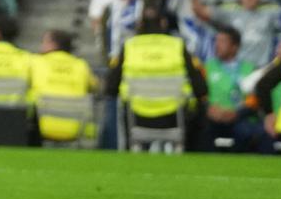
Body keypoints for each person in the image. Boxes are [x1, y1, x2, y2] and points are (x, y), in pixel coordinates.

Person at [104, 8, 209, 149]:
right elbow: (200, 88)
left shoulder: (130, 46)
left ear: (140, 24)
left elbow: (110, 88)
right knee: (199, 112)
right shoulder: (176, 45)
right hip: (173, 118)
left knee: (116, 104)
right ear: (163, 23)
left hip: (137, 117)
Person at [29, 29, 98, 143]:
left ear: (52, 44)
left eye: (44, 42)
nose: (41, 46)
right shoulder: (81, 65)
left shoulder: (36, 62)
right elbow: (96, 87)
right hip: (76, 127)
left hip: (41, 126)